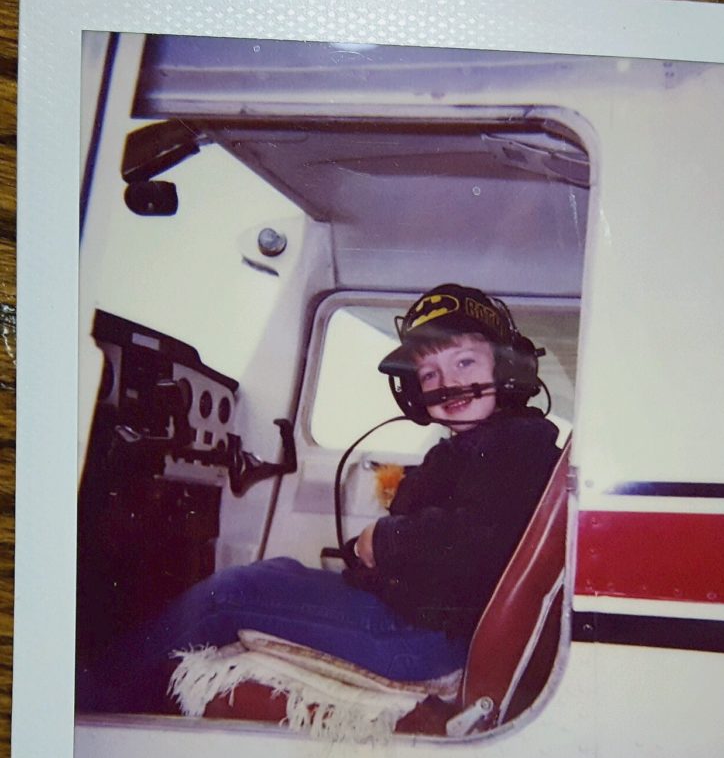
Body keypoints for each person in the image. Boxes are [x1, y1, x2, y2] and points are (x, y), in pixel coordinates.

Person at [82, 284, 560, 714]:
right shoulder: (485, 444)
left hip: (422, 641)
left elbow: (475, 543)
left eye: (465, 362)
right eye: (430, 374)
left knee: (226, 596)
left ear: (507, 366)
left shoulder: (516, 445)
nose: (448, 383)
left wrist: (383, 539)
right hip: (418, 620)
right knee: (277, 572)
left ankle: (96, 702)